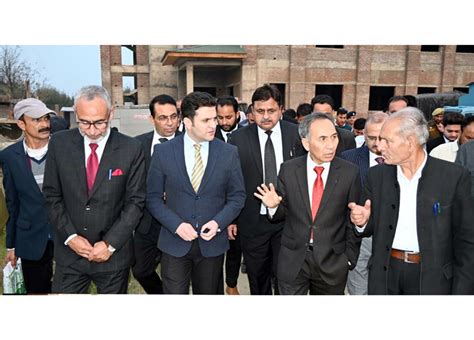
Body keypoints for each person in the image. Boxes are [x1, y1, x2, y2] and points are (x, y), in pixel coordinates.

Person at [349, 107, 474, 294]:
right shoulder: (377, 176)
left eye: (387, 141)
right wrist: (363, 221)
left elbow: (466, 242)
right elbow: (370, 226)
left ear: (410, 142)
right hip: (386, 274)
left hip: (433, 278)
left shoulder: (453, 177)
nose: (379, 146)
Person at [43, 85, 146, 294]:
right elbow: (52, 196)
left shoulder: (131, 149)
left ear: (111, 113)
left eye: (99, 122)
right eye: (84, 122)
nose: (91, 130)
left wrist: (109, 244)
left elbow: (135, 202)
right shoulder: (59, 144)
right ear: (75, 114)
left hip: (113, 257)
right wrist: (70, 237)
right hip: (69, 256)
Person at [146, 91, 246, 294]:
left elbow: (237, 196)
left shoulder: (228, 153)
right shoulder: (164, 152)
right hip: (174, 244)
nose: (214, 125)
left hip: (212, 245)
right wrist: (176, 225)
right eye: (206, 120)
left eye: (214, 118)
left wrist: (218, 223)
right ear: (188, 122)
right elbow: (153, 198)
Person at [255, 113, 361, 295]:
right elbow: (283, 214)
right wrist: (273, 207)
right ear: (306, 143)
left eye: (334, 137)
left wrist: (349, 258)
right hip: (293, 261)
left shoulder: (349, 172)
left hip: (332, 263)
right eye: (322, 139)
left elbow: (353, 217)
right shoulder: (289, 169)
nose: (330, 145)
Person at [229, 84, 305, 295]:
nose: (265, 116)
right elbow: (233, 182)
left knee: (286, 278)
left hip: (289, 220)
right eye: (259, 111)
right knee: (258, 278)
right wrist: (232, 219)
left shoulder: (297, 134)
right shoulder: (238, 139)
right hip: (253, 222)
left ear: (281, 109)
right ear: (252, 111)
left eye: (271, 111)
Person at [0, 98, 56, 294]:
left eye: (46, 118)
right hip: (30, 238)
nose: (44, 124)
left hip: (66, 235)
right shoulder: (9, 157)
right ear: (21, 124)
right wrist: (11, 246)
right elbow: (12, 203)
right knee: (37, 294)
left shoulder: (65, 148)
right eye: (37, 120)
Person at [132, 94, 181, 294]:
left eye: (173, 116)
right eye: (162, 118)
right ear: (152, 119)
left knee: (174, 276)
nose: (169, 123)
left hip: (177, 222)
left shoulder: (189, 144)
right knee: (141, 271)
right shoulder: (136, 145)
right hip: (147, 223)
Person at [340, 111, 388, 295]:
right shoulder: (348, 158)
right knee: (358, 289)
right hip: (357, 236)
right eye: (371, 137)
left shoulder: (400, 159)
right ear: (362, 134)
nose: (376, 143)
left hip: (390, 234)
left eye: (381, 137)